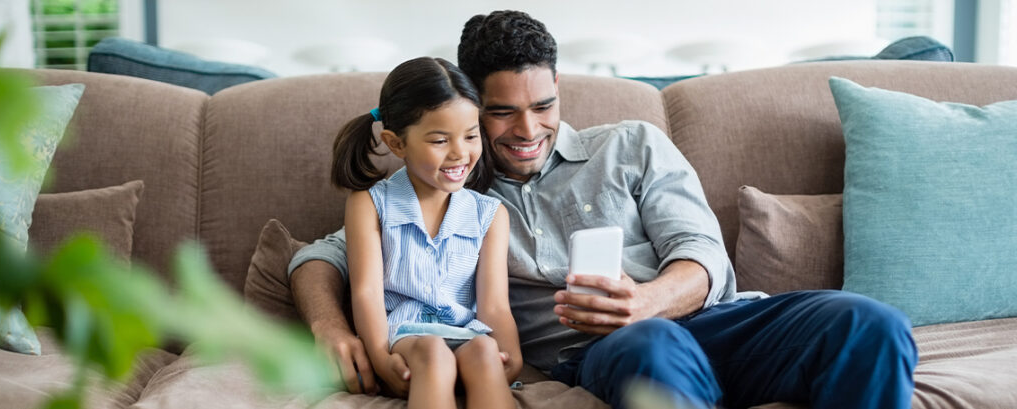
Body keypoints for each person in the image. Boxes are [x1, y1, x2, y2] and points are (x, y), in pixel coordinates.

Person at [289, 10, 918, 409]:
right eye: (502, 112)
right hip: (606, 353)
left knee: (870, 324)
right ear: (467, 109)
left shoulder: (631, 144)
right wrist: (329, 325)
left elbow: (701, 255)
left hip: (719, 324)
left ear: (559, 88)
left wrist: (648, 299)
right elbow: (323, 256)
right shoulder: (450, 195)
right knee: (650, 348)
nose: (528, 129)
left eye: (543, 104)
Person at [330, 56, 521, 409]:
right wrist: (380, 357)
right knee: (433, 352)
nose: (460, 153)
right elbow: (367, 293)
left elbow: (494, 303)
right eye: (439, 140)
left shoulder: (490, 214)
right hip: (405, 338)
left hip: (467, 334)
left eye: (470, 135)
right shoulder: (369, 204)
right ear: (396, 143)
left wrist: (511, 355)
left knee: (484, 350)